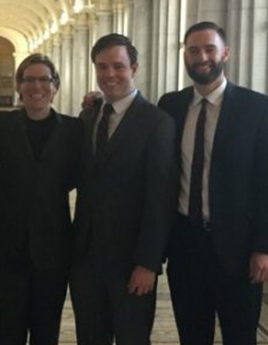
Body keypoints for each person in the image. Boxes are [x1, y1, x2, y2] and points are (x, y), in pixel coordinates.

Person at [157, 21, 268, 345]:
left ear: (225, 53)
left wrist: (266, 248)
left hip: (239, 250)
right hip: (185, 246)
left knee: (240, 337)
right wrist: (100, 101)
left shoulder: (257, 108)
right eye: (194, 50)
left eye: (209, 49)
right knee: (192, 335)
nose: (202, 57)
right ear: (184, 55)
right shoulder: (170, 106)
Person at [70, 33, 178, 344]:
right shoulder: (90, 116)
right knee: (89, 337)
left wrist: (148, 263)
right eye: (102, 67)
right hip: (86, 259)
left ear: (134, 68)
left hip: (131, 260)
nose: (109, 74)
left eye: (118, 66)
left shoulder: (157, 122)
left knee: (132, 337)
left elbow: (161, 197)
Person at [0, 53, 82, 344]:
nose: (36, 86)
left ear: (55, 86)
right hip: (6, 248)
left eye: (44, 79)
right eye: (29, 79)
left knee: (46, 331)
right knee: (9, 331)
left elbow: (78, 175)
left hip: (54, 248)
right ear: (19, 85)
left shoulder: (73, 129)